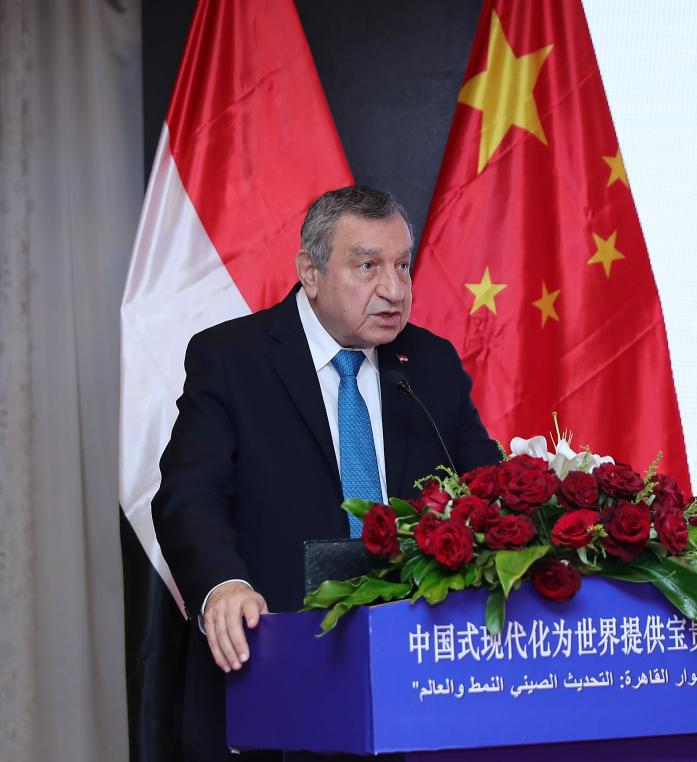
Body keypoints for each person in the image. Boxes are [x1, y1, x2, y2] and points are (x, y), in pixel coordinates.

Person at [152, 185, 500, 760]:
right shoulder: (232, 359)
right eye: (367, 266)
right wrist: (223, 583)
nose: (394, 290)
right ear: (310, 272)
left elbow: (485, 485)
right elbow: (189, 497)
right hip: (276, 669)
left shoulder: (430, 363)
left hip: (415, 678)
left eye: (403, 266)